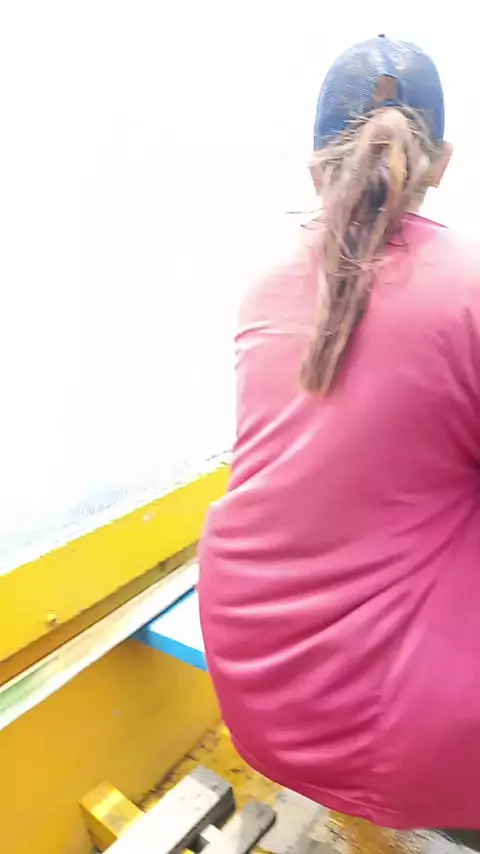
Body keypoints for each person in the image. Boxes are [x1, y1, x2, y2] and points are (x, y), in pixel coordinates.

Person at [198, 35, 480, 831]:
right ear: (443, 163)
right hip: (429, 744)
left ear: (315, 167)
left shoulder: (262, 283)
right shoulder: (469, 284)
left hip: (259, 701)